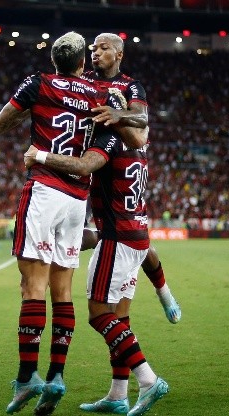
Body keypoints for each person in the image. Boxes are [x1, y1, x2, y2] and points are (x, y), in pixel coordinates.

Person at [0, 31, 145, 416]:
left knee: (32, 286)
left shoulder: (39, 83)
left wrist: (35, 119)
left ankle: (27, 378)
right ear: (82, 63)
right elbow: (136, 128)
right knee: (62, 292)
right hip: (78, 201)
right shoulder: (99, 94)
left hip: (44, 192)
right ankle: (57, 375)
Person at [24, 105, 169, 416]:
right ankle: (118, 395)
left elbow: (86, 166)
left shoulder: (110, 141)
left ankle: (147, 379)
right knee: (120, 319)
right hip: (138, 239)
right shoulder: (139, 147)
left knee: (99, 314)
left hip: (116, 238)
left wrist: (39, 155)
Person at [83, 32, 181, 326]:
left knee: (132, 234)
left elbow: (141, 120)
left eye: (104, 48)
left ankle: (163, 291)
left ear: (119, 54)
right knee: (125, 236)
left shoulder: (130, 86)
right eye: (93, 48)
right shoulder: (85, 81)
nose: (96, 53)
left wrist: (117, 112)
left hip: (120, 160)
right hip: (94, 157)